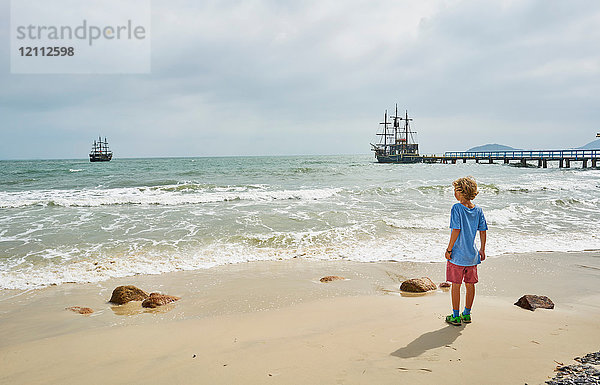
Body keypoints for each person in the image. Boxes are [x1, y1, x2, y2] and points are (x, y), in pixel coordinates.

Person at [444, 176, 487, 326]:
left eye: (455, 190)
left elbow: (456, 229)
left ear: (461, 193)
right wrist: (482, 249)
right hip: (472, 256)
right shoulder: (478, 210)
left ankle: (455, 316)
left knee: (456, 285)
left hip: (457, 256)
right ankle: (467, 314)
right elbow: (483, 231)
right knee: (470, 285)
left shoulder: (457, 208)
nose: (454, 193)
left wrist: (449, 249)